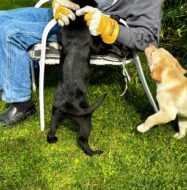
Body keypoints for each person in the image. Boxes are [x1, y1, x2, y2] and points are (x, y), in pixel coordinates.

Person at [0, 0, 162, 127]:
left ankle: (21, 104)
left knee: (10, 33)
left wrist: (109, 28)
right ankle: (8, 77)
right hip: (67, 19)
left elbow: (149, 38)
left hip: (89, 35)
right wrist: (58, 4)